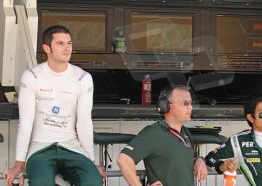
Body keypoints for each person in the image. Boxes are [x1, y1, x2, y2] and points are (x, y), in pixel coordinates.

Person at [4, 25, 106, 186]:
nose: (67, 48)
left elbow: (84, 122)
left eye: (69, 43)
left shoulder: (83, 77)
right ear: (47, 48)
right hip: (40, 149)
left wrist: (91, 161)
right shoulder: (32, 76)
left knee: (93, 181)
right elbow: (26, 122)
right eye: (60, 44)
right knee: (42, 182)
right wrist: (19, 164)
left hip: (72, 147)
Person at [117, 85, 208, 186]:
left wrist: (199, 160)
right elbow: (124, 160)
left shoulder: (185, 132)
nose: (190, 107)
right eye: (185, 103)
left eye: (191, 103)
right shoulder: (152, 132)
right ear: (167, 105)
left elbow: (180, 161)